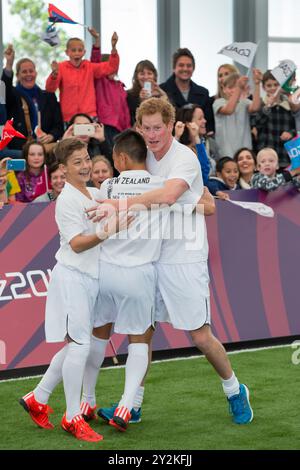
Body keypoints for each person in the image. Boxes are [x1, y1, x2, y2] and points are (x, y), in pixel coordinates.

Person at [93, 97, 253, 426]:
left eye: (158, 128)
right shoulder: (142, 157)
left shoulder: (184, 158)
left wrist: (124, 203)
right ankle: (131, 405)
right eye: (146, 128)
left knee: (200, 336)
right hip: (149, 256)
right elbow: (202, 202)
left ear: (170, 126)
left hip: (186, 257)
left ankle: (234, 389)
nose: (152, 135)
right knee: (143, 332)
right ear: (139, 127)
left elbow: (173, 197)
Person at [19, 138, 133, 442]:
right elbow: (77, 245)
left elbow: (119, 204)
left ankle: (37, 398)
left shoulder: (93, 192)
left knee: (75, 346)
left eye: (86, 159)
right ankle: (71, 417)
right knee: (80, 346)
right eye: (78, 162)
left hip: (88, 279)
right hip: (73, 277)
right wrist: (109, 229)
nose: (85, 166)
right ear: (64, 169)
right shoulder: (67, 201)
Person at [1, 44, 64, 154]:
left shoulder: (48, 96)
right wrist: (9, 65)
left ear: (36, 73)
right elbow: (4, 89)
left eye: (31, 71)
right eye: (24, 72)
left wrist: (51, 136)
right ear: (18, 75)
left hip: (45, 151)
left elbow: (58, 126)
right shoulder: (13, 95)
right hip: (20, 151)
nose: (28, 74)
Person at [45, 31, 119, 124]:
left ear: (84, 52)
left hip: (89, 116)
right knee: (72, 139)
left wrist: (113, 48)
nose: (77, 53)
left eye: (80, 50)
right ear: (67, 52)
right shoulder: (61, 67)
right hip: (69, 117)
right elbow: (49, 89)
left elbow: (111, 67)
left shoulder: (89, 67)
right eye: (73, 50)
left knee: (91, 138)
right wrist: (54, 75)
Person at [89, 28, 131, 152]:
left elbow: (125, 111)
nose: (113, 69)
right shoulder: (100, 81)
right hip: (105, 126)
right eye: (109, 66)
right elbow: (95, 62)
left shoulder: (120, 86)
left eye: (115, 66)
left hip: (121, 130)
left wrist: (128, 129)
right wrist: (99, 42)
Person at [160, 48, 214, 133]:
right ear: (174, 68)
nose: (185, 69)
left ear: (193, 69)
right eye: (181, 65)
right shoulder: (162, 91)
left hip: (197, 141)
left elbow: (208, 123)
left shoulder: (203, 93)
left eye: (189, 66)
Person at [251, 70, 296, 168]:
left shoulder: (288, 105)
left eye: (276, 85)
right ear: (264, 87)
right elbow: (257, 123)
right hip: (266, 157)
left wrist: (290, 133)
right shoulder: (261, 104)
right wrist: (268, 106)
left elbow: (295, 127)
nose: (273, 88)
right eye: (269, 85)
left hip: (285, 156)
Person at [213, 70, 262, 158]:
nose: (234, 90)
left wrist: (257, 84)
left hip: (244, 152)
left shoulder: (244, 102)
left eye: (236, 87)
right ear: (223, 89)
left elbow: (255, 108)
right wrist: (239, 88)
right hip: (225, 153)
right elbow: (229, 110)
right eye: (230, 87)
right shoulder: (218, 102)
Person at [174, 104, 219, 183]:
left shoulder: (208, 142)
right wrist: (176, 137)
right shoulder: (179, 147)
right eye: (200, 118)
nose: (204, 121)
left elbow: (205, 173)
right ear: (188, 124)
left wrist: (197, 140)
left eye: (204, 117)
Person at [126, 60, 167, 126]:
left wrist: (163, 94)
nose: (146, 77)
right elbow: (133, 119)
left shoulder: (159, 94)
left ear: (154, 76)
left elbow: (169, 115)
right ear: (136, 76)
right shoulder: (129, 95)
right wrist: (141, 101)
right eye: (142, 74)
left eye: (149, 73)